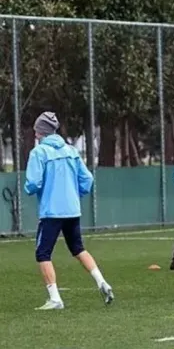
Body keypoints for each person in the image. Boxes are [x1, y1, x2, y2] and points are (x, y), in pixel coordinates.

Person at [24, 111, 114, 310]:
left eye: (36, 130)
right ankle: (102, 282)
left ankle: (55, 299)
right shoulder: (71, 150)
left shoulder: (39, 152)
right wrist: (74, 194)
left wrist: (30, 189)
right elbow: (87, 179)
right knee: (78, 249)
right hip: (72, 210)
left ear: (40, 131)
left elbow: (33, 183)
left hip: (51, 212)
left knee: (43, 253)